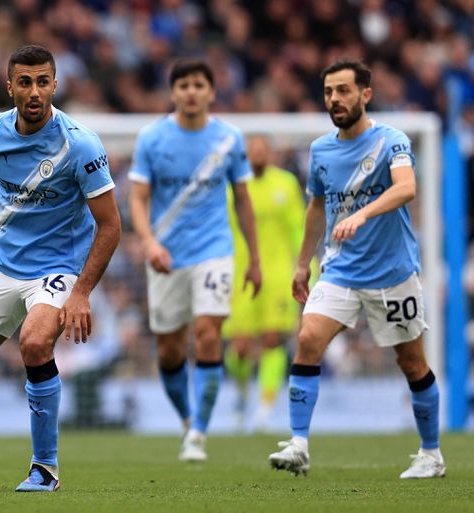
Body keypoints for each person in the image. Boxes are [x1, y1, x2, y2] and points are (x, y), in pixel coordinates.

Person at [0, 44, 121, 492]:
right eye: (25, 82)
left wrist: (81, 293)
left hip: (56, 269)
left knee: (35, 343)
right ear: (10, 87)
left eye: (42, 82)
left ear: (54, 85)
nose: (34, 91)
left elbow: (111, 226)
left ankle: (45, 468)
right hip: (2, 264)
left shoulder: (81, 145)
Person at [267, 59, 445, 479]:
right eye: (329, 91)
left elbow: (407, 187)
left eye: (344, 90)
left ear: (366, 94)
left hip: (393, 272)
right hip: (341, 270)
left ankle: (432, 453)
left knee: (412, 362)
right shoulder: (320, 149)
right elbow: (315, 204)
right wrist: (300, 263)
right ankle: (299, 445)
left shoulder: (392, 140)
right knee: (308, 336)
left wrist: (362, 215)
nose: (335, 99)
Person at [129, 59, 261, 462]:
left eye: (198, 85)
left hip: (215, 251)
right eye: (183, 85)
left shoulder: (229, 139)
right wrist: (149, 242)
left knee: (207, 333)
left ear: (211, 92)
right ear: (173, 92)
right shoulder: (152, 138)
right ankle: (187, 419)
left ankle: (200, 432)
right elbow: (137, 197)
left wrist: (254, 258)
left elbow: (242, 200)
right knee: (169, 351)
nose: (191, 91)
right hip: (167, 256)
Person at [223, 135, 305, 432]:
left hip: (278, 273)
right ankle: (243, 392)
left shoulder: (285, 184)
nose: (257, 155)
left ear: (270, 154)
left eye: (262, 149)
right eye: (251, 150)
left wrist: (306, 264)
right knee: (241, 345)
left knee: (273, 339)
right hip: (240, 274)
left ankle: (265, 407)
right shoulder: (233, 187)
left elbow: (298, 226)